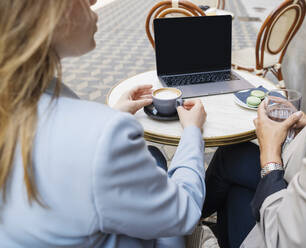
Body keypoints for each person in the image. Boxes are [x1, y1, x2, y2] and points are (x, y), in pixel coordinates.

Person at [0, 0, 207, 247]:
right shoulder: (106, 137)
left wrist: (111, 114)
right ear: (45, 13)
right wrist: (193, 132)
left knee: (153, 156)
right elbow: (182, 214)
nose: (94, 1)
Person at [203, 0, 306, 247]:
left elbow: (291, 240)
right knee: (232, 161)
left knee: (233, 165)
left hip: (285, 221)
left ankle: (183, 220)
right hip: (299, 187)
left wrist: (269, 154)